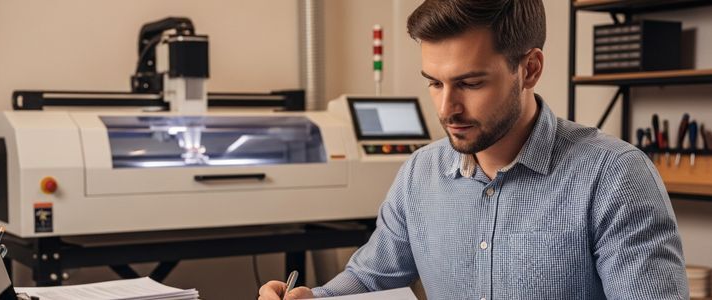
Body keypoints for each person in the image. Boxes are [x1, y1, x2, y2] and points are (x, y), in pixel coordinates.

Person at [259, 0, 688, 299]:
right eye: (434, 82)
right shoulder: (420, 174)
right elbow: (370, 279)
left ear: (530, 69)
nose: (447, 108)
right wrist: (310, 296)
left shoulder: (614, 177)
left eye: (470, 83)